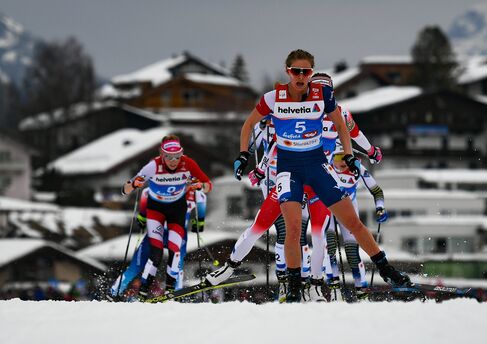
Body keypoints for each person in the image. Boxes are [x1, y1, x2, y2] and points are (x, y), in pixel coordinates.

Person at [232, 49, 411, 302]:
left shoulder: (324, 98)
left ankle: (385, 269)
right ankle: (294, 286)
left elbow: (344, 126)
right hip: (288, 170)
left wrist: (351, 154)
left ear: (312, 75)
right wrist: (245, 157)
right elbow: (251, 127)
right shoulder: (274, 99)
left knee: (351, 224)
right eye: (297, 71)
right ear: (288, 72)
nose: (301, 77)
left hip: (317, 168)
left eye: (306, 72)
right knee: (293, 230)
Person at [122, 134, 212, 298]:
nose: (173, 160)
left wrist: (200, 186)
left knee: (175, 251)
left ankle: (171, 290)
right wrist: (134, 184)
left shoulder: (188, 163)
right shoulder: (153, 166)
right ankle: (144, 288)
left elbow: (208, 186)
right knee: (155, 253)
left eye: (177, 156)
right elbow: (125, 189)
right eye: (169, 157)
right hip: (156, 211)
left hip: (177, 210)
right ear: (162, 155)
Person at [108, 187, 207, 301]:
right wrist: (142, 216)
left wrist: (198, 223)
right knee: (135, 267)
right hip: (156, 232)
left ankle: (175, 295)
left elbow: (200, 214)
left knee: (177, 266)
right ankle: (113, 293)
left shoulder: (197, 195)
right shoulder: (155, 189)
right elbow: (145, 195)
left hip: (178, 234)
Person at [324, 146, 388, 301]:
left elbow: (377, 190)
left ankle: (362, 289)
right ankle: (334, 288)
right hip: (329, 210)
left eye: (345, 157)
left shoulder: (357, 168)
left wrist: (380, 208)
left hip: (349, 212)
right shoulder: (325, 166)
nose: (342, 163)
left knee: (352, 253)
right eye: (337, 158)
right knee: (330, 246)